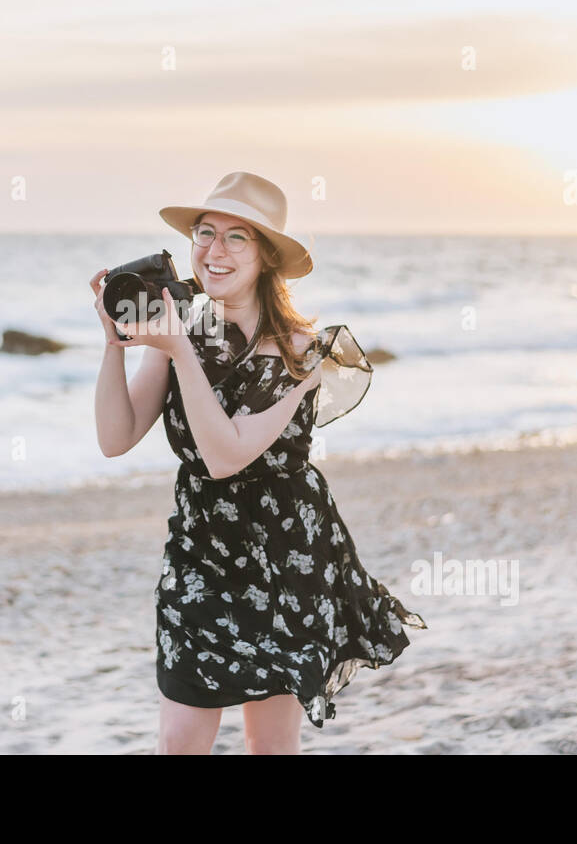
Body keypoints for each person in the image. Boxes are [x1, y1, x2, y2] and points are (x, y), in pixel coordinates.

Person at [91, 171, 426, 754]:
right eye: (204, 233)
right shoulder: (183, 333)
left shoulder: (302, 350)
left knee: (269, 746)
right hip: (199, 549)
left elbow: (224, 454)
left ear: (266, 256)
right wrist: (112, 343)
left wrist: (175, 350)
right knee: (179, 741)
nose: (213, 251)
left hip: (284, 557)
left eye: (236, 237)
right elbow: (115, 437)